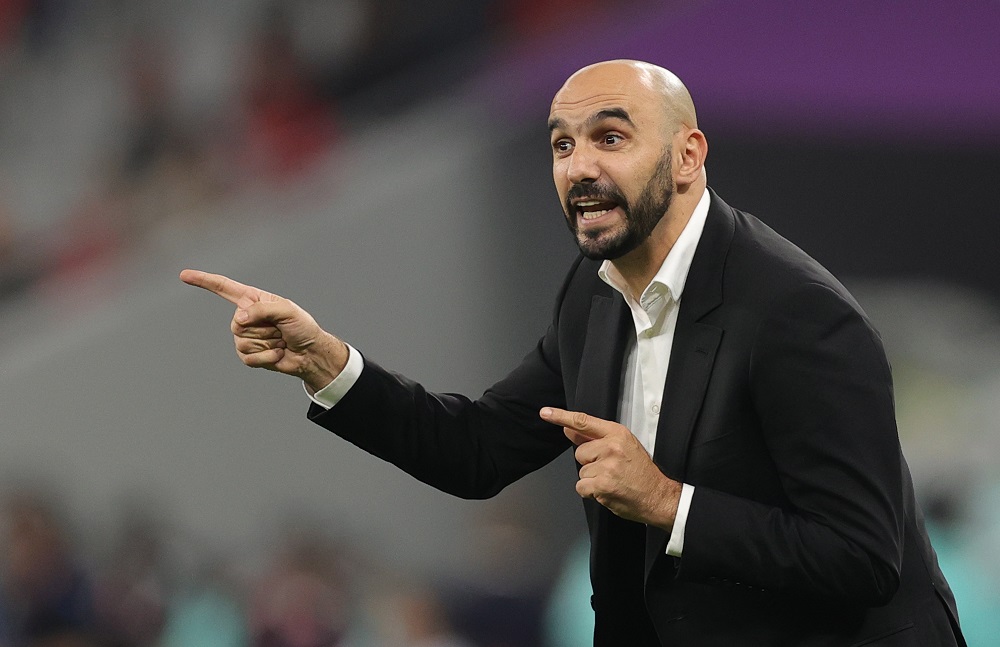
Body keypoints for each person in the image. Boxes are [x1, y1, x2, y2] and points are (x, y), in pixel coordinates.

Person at [181, 60, 966, 645]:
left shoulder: (798, 313)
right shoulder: (593, 293)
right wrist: (328, 363)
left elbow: (863, 556)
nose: (579, 166)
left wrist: (669, 502)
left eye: (610, 138)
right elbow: (478, 448)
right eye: (562, 143)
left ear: (688, 155)